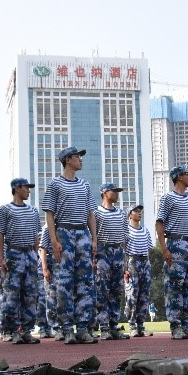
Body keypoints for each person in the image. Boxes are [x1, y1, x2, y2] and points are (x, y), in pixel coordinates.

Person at [43, 146, 99, 345]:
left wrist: (94, 239)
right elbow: (49, 213)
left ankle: (83, 327)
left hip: (82, 232)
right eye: (77, 157)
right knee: (64, 283)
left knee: (85, 282)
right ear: (68, 160)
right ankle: (66, 328)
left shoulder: (84, 185)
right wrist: (54, 240)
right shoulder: (55, 184)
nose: (81, 160)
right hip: (64, 232)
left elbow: (91, 213)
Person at [156, 166, 188, 340]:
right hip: (176, 243)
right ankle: (176, 325)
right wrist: (164, 248)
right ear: (178, 177)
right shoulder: (168, 198)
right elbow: (159, 223)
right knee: (175, 287)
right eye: (187, 175)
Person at [0, 177, 43, 344]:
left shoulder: (33, 211)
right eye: (26, 188)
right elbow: (0, 235)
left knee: (30, 294)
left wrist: (34, 255)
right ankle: (11, 329)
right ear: (17, 188)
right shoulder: (5, 209)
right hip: (13, 253)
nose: (29, 191)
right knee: (11, 295)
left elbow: (36, 236)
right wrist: (1, 258)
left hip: (29, 254)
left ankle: (27, 330)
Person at [94, 182, 130, 340]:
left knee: (117, 290)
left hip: (118, 252)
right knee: (102, 290)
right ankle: (104, 326)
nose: (117, 194)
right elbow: (92, 237)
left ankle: (114, 325)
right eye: (114, 191)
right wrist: (93, 259)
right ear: (104, 193)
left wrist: (125, 261)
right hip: (102, 251)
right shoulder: (96, 213)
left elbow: (125, 238)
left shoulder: (121, 213)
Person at [123, 205, 153, 337]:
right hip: (132, 262)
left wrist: (148, 265)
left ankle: (141, 325)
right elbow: (123, 251)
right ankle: (132, 325)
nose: (139, 213)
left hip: (144, 262)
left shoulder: (145, 231)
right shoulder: (126, 231)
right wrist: (125, 270)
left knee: (144, 295)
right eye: (136, 211)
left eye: (140, 211)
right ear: (130, 215)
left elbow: (148, 250)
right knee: (132, 295)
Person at [38, 225, 61, 340]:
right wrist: (45, 269)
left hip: (63, 266)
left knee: (63, 299)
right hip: (52, 266)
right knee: (51, 299)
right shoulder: (48, 227)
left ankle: (63, 327)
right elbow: (43, 248)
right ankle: (55, 328)